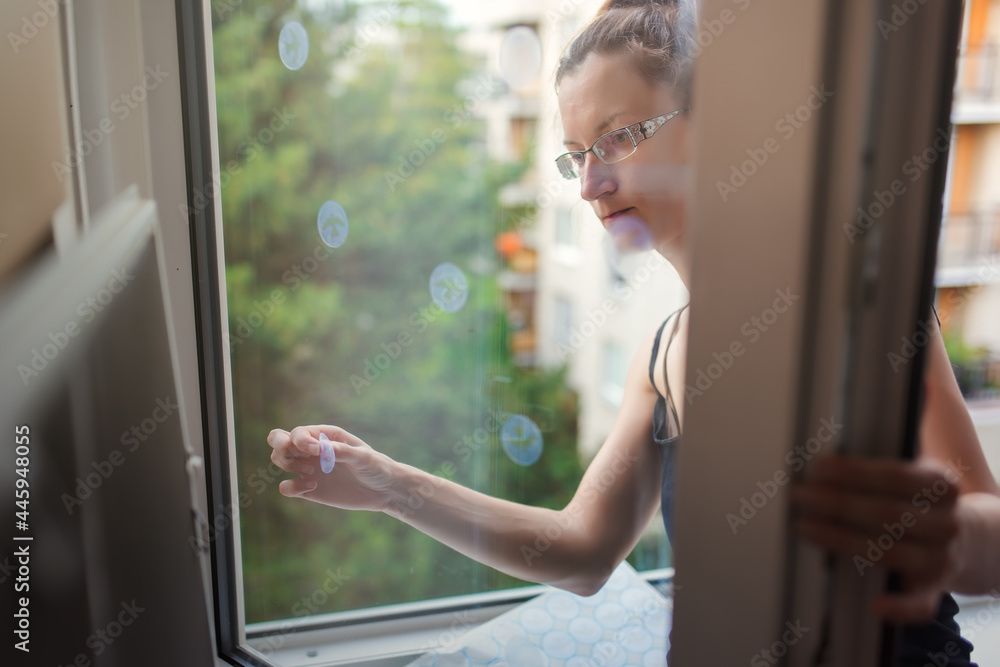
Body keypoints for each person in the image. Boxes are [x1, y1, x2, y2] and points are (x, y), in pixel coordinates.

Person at [268, 0, 1000, 663]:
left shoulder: (850, 306)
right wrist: (388, 484)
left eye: (617, 138)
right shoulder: (663, 357)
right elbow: (582, 550)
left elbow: (990, 535)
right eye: (577, 154)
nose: (589, 185)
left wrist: (949, 536)